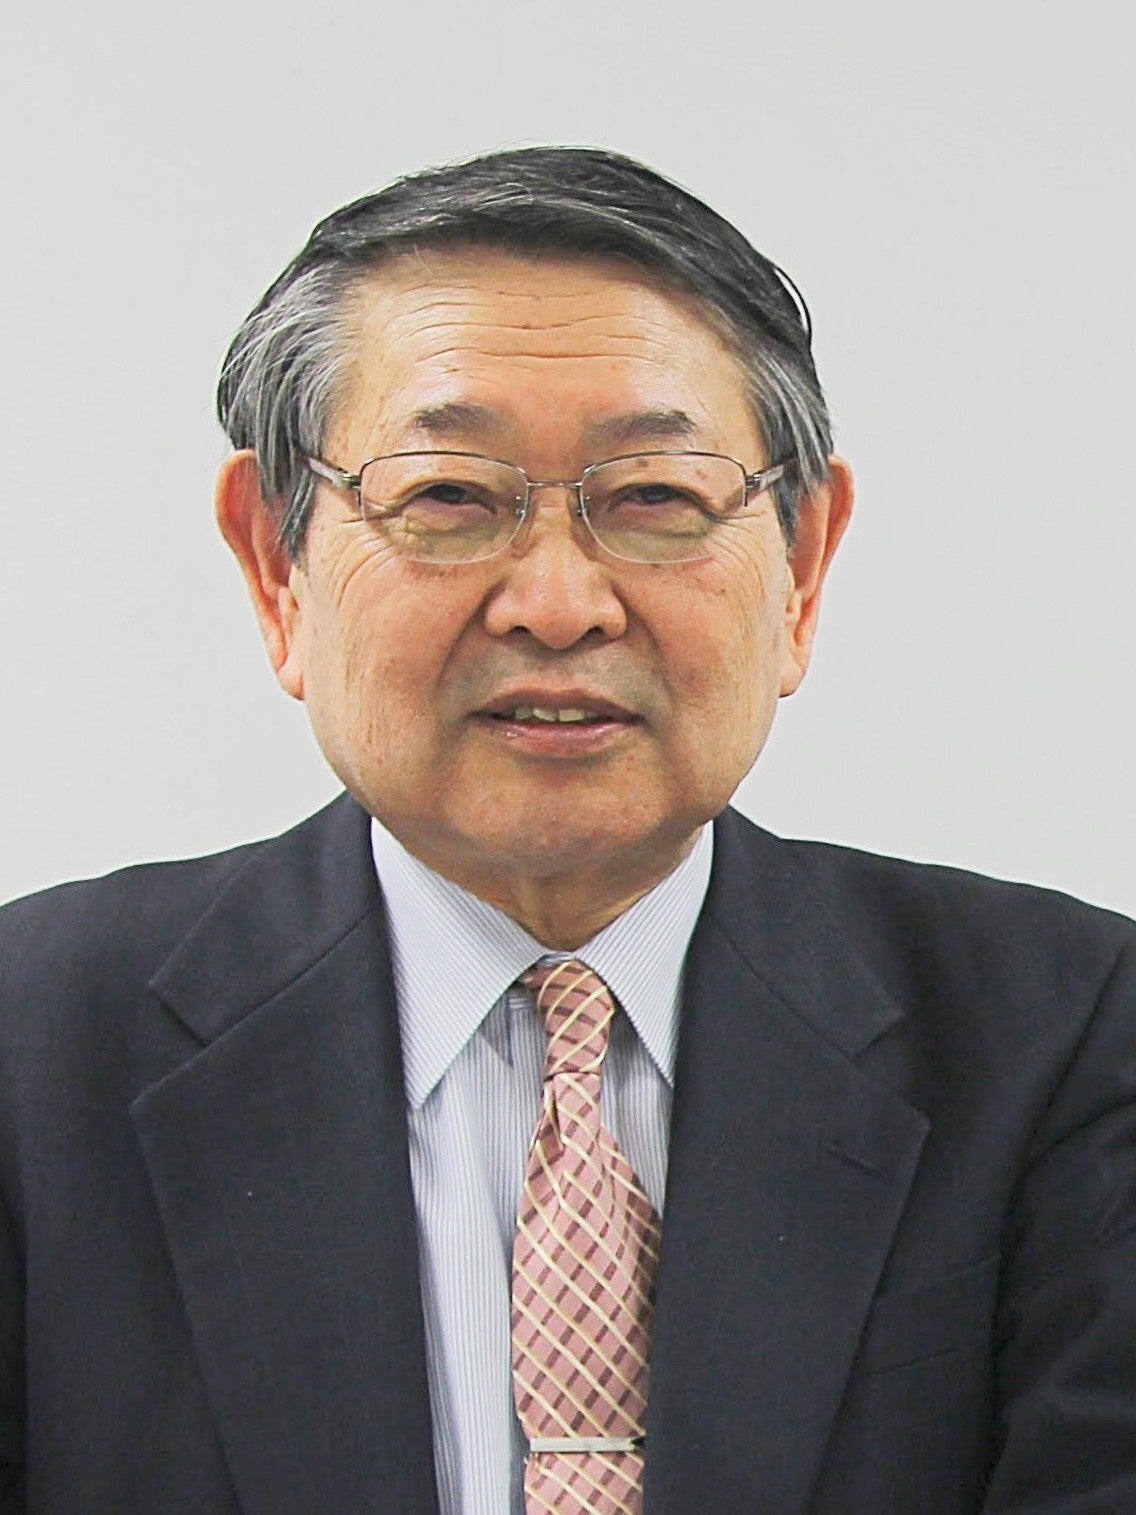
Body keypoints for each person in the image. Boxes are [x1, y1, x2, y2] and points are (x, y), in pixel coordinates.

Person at [0, 147, 1133, 1515]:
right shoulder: (29, 1050)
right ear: (277, 564)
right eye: (448, 499)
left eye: (654, 499)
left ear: (802, 568)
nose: (556, 604)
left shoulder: (1072, 1036)